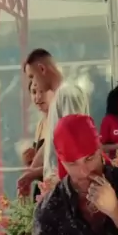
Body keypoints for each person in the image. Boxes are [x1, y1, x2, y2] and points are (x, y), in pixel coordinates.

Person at [19, 48, 89, 194]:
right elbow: (52, 142)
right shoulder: (57, 99)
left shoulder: (67, 94)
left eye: (32, 77)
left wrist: (50, 177)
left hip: (67, 188)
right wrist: (31, 173)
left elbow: (73, 147)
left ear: (42, 69)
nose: (33, 83)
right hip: (57, 186)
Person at [21, 82, 52, 200]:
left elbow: (59, 165)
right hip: (41, 188)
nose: (38, 97)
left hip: (54, 188)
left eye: (42, 91)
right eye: (34, 92)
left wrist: (32, 173)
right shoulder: (41, 124)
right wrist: (31, 158)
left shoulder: (59, 122)